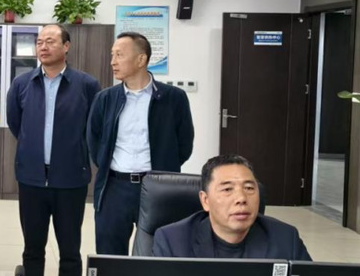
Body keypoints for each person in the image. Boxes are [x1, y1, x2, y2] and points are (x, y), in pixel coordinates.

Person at [6, 24, 101, 276]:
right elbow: (16, 124)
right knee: (32, 248)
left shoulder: (86, 84)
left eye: (50, 41)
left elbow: (93, 127)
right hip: (32, 179)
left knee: (69, 248)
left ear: (66, 46)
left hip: (70, 179)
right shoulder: (22, 84)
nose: (43, 47)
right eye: (39, 42)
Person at [88, 32, 194, 256]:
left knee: (157, 254)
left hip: (157, 187)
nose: (113, 61)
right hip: (114, 186)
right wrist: (107, 164)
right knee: (110, 256)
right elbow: (93, 139)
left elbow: (184, 144)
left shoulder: (173, 98)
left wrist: (165, 166)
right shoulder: (105, 98)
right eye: (112, 55)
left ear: (141, 59)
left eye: (119, 55)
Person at [153, 154, 312, 260]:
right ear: (205, 200)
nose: (241, 198)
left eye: (249, 188)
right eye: (227, 189)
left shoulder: (285, 239)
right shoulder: (172, 242)